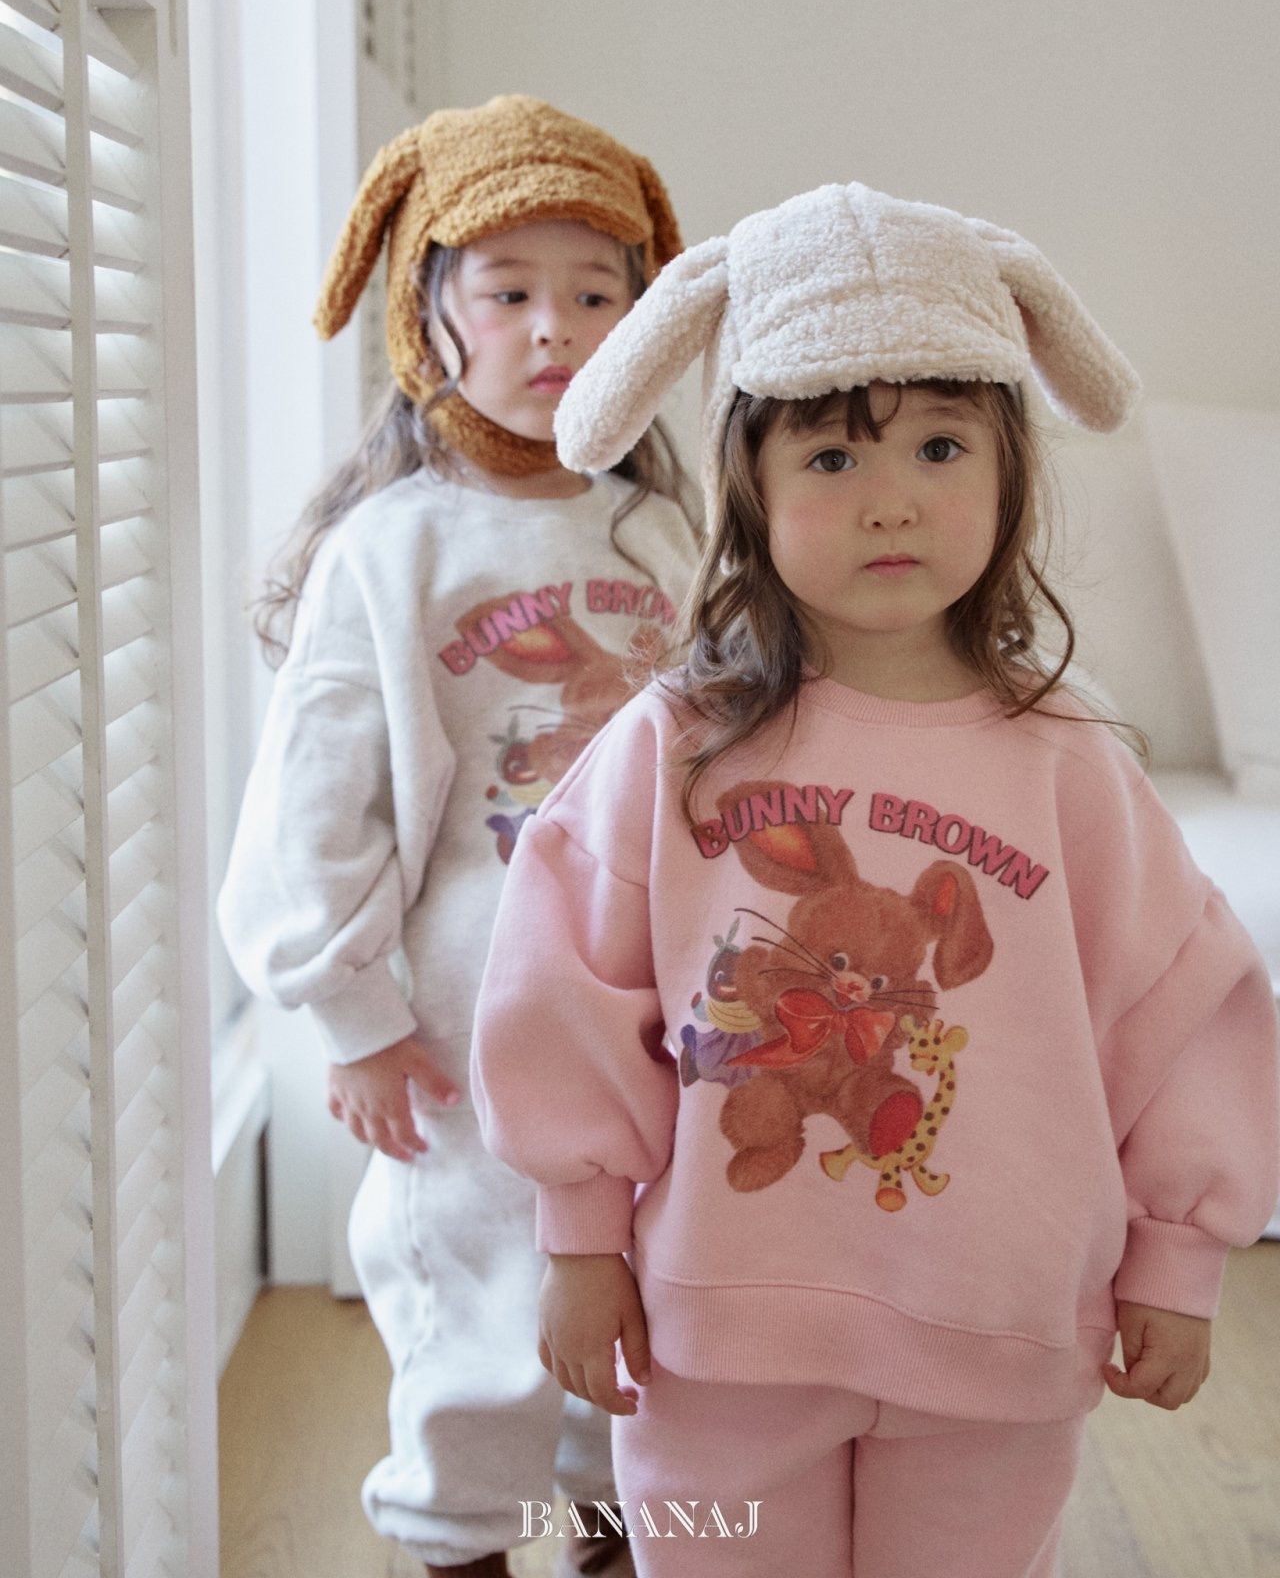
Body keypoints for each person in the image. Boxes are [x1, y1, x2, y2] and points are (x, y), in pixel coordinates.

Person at [470, 182, 1280, 1578]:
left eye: (940, 446)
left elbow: (1186, 1010)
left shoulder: (1071, 760)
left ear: (1008, 472)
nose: (891, 500)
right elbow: (567, 989)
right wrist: (579, 1238)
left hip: (997, 1324)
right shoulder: (675, 747)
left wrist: (1179, 1253)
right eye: (833, 456)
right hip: (722, 1331)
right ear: (751, 486)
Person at [218, 95, 701, 1578]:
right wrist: (354, 1016)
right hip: (464, 1014)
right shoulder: (395, 548)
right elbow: (315, 805)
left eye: (596, 294)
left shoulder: (660, 533)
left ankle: (614, 1526)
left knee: (640, 1279)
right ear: (430, 319)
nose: (556, 329)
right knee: (480, 1299)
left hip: (658, 1004)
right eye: (508, 293)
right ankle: (459, 1542)